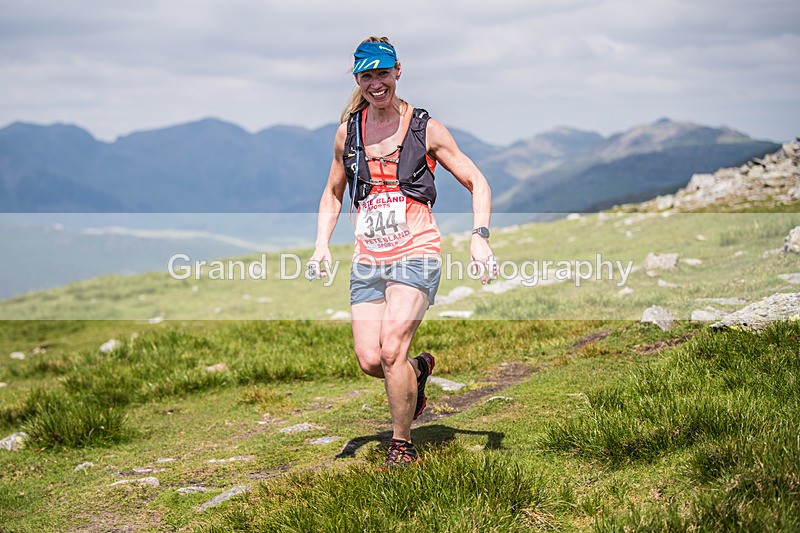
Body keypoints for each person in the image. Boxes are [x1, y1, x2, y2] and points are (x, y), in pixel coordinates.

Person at [309, 36, 496, 469]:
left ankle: (401, 445)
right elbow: (333, 192)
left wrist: (479, 236)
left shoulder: (425, 128)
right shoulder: (347, 133)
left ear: (398, 72)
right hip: (368, 259)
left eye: (383, 73)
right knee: (372, 360)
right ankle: (418, 371)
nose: (377, 83)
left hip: (418, 251)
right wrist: (322, 243)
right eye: (367, 75)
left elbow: (477, 181)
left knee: (391, 347)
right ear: (358, 79)